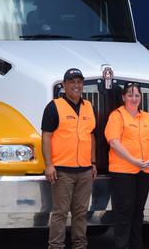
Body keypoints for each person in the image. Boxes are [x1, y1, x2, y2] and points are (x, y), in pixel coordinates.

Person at [41, 68, 97, 249]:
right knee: (60, 213)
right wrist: (49, 165)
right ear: (64, 85)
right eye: (72, 82)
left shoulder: (89, 107)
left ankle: (80, 245)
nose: (76, 85)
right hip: (62, 171)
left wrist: (93, 163)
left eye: (79, 82)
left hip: (85, 171)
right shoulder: (54, 106)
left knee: (81, 213)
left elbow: (91, 136)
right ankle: (56, 246)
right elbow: (46, 136)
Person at [105, 83, 149, 249]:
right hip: (123, 171)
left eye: (137, 95)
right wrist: (134, 160)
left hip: (145, 170)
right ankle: (122, 245)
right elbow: (114, 142)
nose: (134, 98)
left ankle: (137, 245)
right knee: (124, 212)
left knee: (138, 211)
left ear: (141, 98)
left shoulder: (147, 117)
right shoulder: (117, 116)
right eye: (130, 95)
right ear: (123, 97)